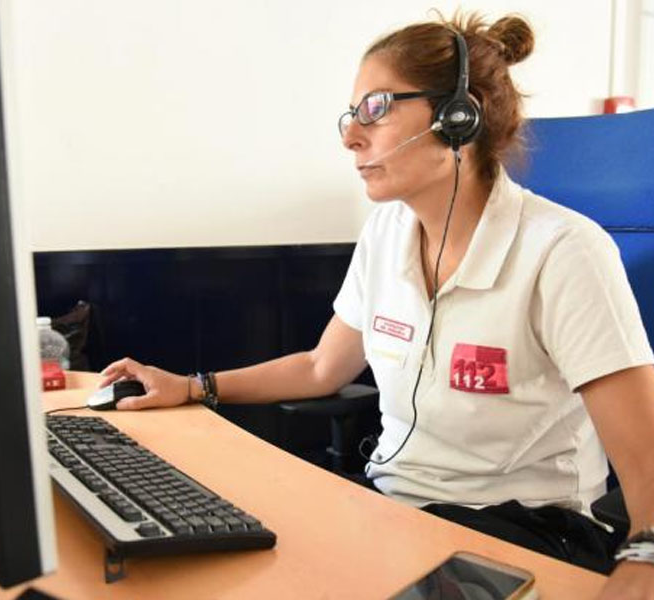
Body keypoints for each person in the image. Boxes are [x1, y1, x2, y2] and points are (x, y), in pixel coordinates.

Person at [98, 12, 654, 597]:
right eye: (351, 114)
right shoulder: (387, 232)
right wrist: (191, 386)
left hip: (525, 531)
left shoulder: (564, 251)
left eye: (377, 108)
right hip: (395, 511)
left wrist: (643, 559)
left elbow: (644, 461)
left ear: (458, 116)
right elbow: (322, 367)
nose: (350, 136)